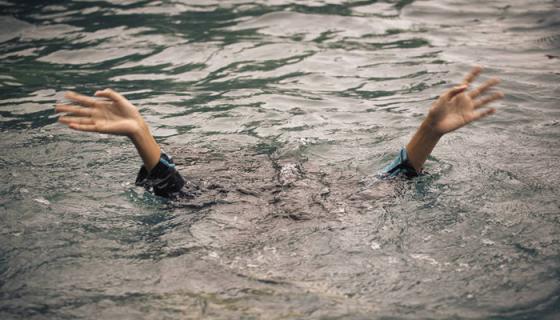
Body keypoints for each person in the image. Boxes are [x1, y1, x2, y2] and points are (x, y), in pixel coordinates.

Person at [54, 66, 504, 199]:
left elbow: (177, 192)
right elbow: (390, 183)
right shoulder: (328, 209)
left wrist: (430, 130)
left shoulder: (321, 209)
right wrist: (429, 132)